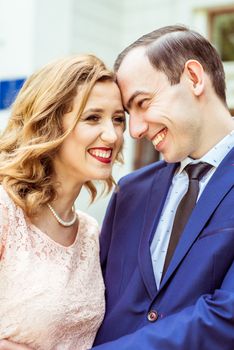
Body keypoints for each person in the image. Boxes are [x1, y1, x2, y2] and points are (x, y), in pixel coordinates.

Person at [91, 25, 234, 349]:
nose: (136, 130)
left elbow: (227, 318)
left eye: (142, 103)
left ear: (194, 78)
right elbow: (91, 300)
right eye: (129, 114)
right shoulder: (129, 191)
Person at [0, 54, 125, 350]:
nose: (112, 135)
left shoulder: (91, 233)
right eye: (92, 118)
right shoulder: (5, 211)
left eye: (118, 119)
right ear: (50, 124)